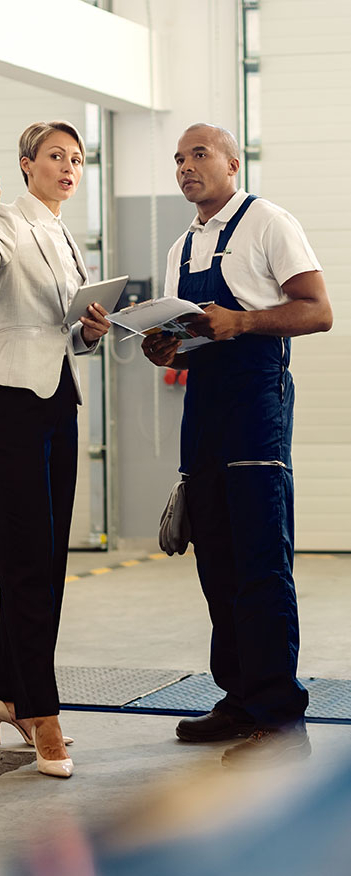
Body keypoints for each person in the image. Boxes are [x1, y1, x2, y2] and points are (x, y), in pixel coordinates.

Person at [142, 123, 333, 768]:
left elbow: (319, 310)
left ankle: (280, 720)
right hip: (204, 407)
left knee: (260, 560)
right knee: (217, 560)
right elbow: (192, 336)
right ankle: (240, 699)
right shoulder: (181, 247)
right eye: (178, 159)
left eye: (199, 155)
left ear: (232, 163)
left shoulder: (269, 222)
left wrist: (243, 321)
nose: (185, 167)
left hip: (255, 402)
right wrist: (166, 347)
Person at [0, 121, 110, 778]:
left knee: (46, 562)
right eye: (55, 156)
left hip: (57, 400)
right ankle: (43, 714)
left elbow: (63, 333)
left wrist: (91, 331)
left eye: (76, 158)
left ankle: (12, 696)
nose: (68, 167)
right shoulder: (8, 223)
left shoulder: (65, 234)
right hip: (8, 401)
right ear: (25, 164)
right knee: (25, 562)